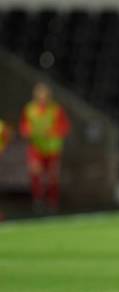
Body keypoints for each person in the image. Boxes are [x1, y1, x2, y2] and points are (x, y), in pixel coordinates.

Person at [19, 82, 70, 212]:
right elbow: (24, 126)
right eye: (40, 95)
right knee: (35, 173)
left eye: (45, 95)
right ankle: (38, 201)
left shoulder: (56, 109)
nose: (42, 97)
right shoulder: (29, 109)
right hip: (36, 148)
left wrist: (53, 133)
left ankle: (52, 202)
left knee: (53, 177)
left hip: (52, 149)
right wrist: (28, 132)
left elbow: (64, 127)